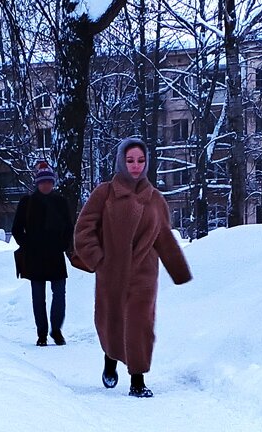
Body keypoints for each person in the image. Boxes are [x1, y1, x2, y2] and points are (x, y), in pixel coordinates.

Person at [72, 138, 192, 398]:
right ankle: (110, 360)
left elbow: (163, 236)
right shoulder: (104, 193)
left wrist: (179, 271)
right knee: (111, 321)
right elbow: (83, 231)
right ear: (121, 162)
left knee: (140, 323)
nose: (136, 166)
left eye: (140, 160)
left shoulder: (155, 199)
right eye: (130, 160)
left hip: (143, 273)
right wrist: (99, 260)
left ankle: (138, 380)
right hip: (111, 271)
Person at [12, 161, 74, 347]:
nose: (46, 185)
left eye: (49, 182)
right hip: (35, 258)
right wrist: (28, 245)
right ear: (37, 183)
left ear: (53, 183)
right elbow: (16, 229)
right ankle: (42, 334)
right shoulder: (27, 202)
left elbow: (69, 227)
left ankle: (56, 330)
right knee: (38, 298)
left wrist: (63, 245)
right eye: (42, 182)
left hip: (55, 256)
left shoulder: (60, 201)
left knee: (60, 295)